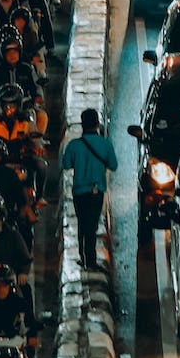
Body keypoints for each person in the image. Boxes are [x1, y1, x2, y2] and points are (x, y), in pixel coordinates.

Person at [64, 108, 117, 271]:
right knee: (92, 225)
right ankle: (91, 261)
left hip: (79, 192)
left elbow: (66, 164)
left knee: (82, 223)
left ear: (82, 124)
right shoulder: (105, 144)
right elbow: (113, 165)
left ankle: (83, 257)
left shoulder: (74, 145)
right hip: (96, 191)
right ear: (97, 124)